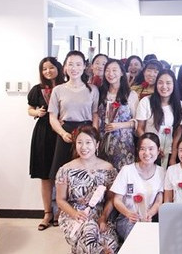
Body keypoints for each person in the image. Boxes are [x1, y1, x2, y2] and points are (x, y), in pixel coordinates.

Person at [55, 125, 119, 254]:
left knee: (110, 244)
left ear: (97, 145)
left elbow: (112, 199)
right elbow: (60, 200)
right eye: (79, 143)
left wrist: (103, 218)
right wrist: (74, 214)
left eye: (88, 142)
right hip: (74, 214)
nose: (84, 147)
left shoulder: (108, 169)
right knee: (89, 231)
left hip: (100, 214)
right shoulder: (65, 169)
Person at [48, 50, 99, 180]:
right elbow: (53, 117)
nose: (74, 68)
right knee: (63, 175)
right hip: (66, 133)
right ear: (65, 67)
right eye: (70, 64)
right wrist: (62, 133)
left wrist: (94, 136)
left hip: (87, 132)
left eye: (78, 64)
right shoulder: (58, 90)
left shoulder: (93, 89)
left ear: (84, 67)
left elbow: (95, 114)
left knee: (86, 174)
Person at [27, 57, 65, 230]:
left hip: (62, 134)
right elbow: (29, 109)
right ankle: (48, 212)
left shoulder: (66, 87)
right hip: (43, 133)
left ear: (58, 68)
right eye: (44, 69)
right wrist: (37, 112)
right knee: (44, 175)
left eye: (51, 67)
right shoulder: (38, 89)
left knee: (62, 174)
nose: (48, 71)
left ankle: (60, 211)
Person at [110, 133, 165, 240]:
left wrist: (149, 214)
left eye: (151, 149)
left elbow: (159, 201)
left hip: (149, 219)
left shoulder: (162, 172)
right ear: (138, 151)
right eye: (142, 149)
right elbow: (117, 200)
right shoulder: (127, 170)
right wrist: (129, 214)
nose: (146, 153)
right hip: (127, 219)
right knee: (138, 235)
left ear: (158, 151)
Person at [136, 69, 182, 169]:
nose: (164, 87)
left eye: (168, 83)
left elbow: (178, 133)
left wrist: (173, 157)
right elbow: (139, 129)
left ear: (174, 85)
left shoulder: (180, 105)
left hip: (170, 152)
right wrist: (153, 147)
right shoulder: (146, 102)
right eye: (160, 83)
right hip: (149, 153)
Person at [98, 59, 139, 171]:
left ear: (122, 72)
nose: (111, 74)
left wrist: (119, 125)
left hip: (123, 143)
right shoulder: (100, 93)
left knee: (122, 175)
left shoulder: (130, 94)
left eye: (114, 70)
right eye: (107, 70)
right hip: (103, 141)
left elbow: (137, 121)